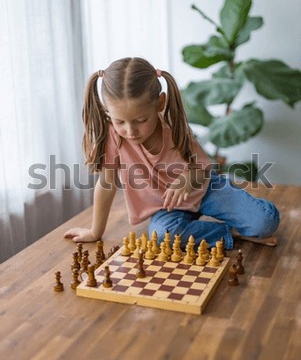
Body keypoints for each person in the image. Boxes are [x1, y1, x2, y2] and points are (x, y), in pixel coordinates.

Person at [64, 57, 280, 250]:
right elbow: (107, 183)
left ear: (160, 103)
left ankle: (243, 207)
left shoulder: (174, 127)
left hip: (204, 189)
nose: (130, 131)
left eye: (140, 121)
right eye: (120, 121)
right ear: (107, 111)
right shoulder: (114, 135)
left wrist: (186, 180)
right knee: (162, 236)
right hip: (167, 206)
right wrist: (95, 232)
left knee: (265, 223)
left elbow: (203, 170)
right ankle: (230, 232)